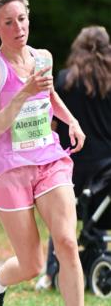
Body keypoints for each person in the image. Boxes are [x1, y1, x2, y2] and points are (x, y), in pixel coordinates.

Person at [0, 0, 102, 306]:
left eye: (23, 19)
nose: (19, 27)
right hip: (7, 168)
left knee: (67, 241)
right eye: (9, 22)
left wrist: (70, 120)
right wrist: (24, 91)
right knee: (31, 265)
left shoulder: (42, 57)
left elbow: (49, 95)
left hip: (47, 159)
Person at [35, 25, 111, 289]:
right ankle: (97, 261)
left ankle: (50, 273)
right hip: (105, 171)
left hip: (71, 166)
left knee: (61, 219)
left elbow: (52, 123)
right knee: (98, 214)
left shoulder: (64, 81)